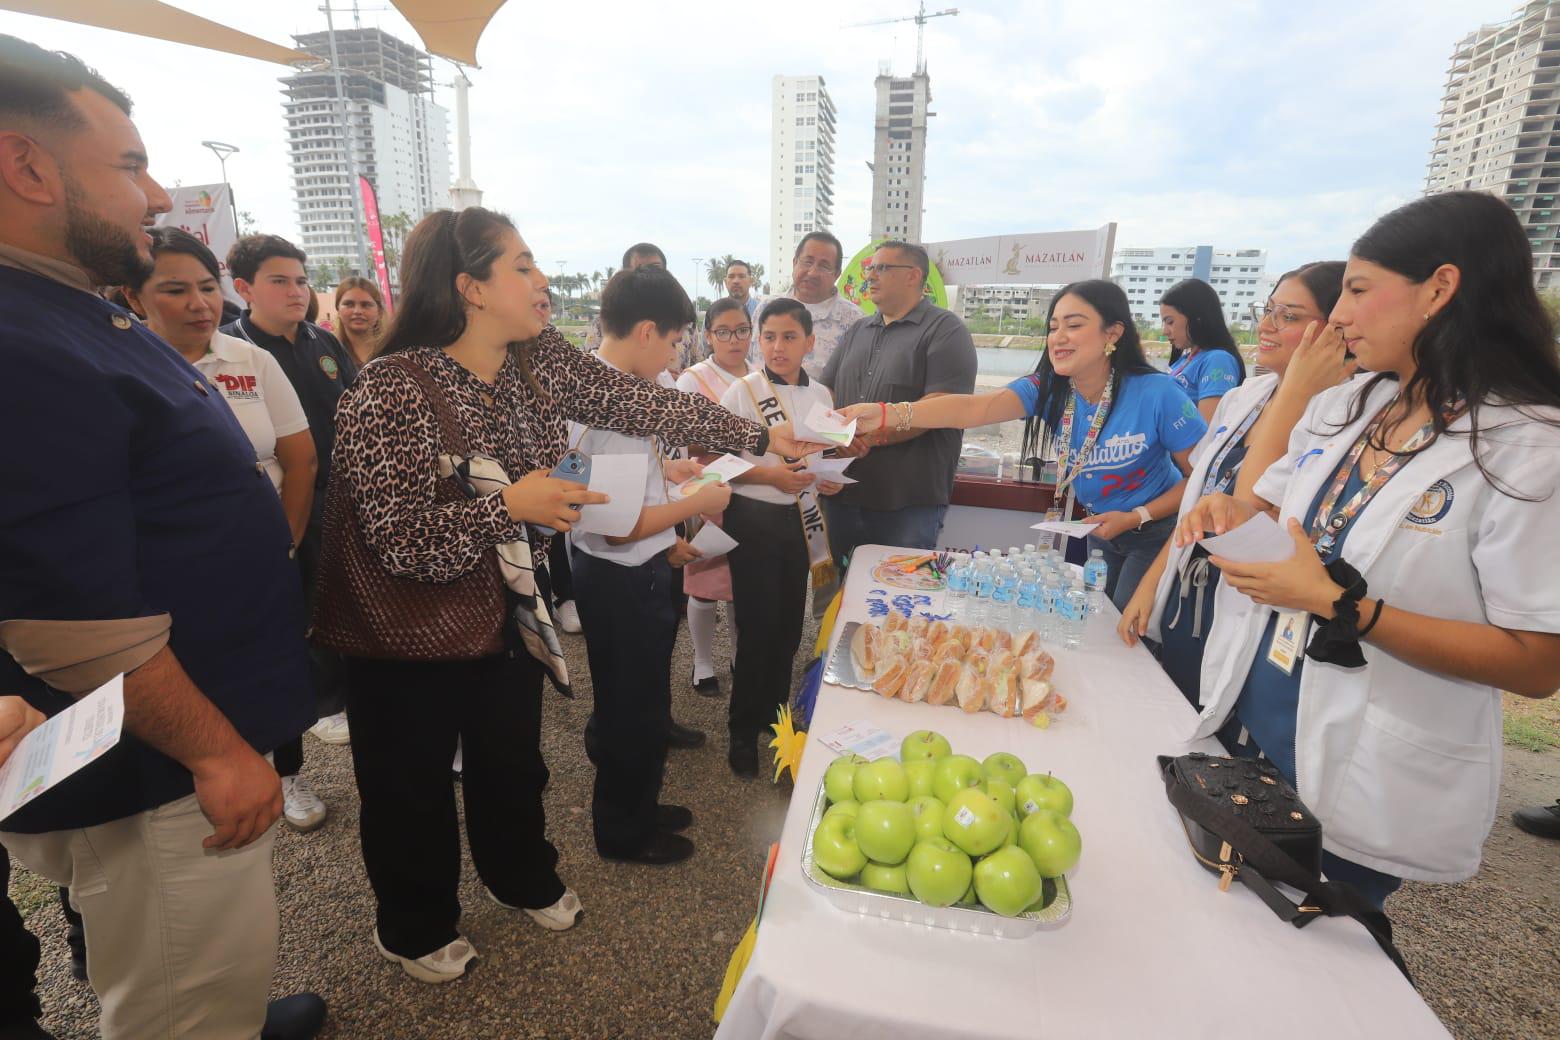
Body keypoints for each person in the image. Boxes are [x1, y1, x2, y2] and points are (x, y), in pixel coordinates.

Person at [313, 206, 815, 983]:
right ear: (471, 288)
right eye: (522, 266)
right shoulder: (390, 387)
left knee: (511, 761)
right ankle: (413, 925)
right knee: (409, 786)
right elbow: (398, 539)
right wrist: (511, 506)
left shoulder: (534, 359)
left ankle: (520, 875)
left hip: (508, 608)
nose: (542, 280)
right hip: (407, 632)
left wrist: (757, 435)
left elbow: (641, 402)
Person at [0, 35, 325, 1038]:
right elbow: (72, 615)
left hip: (176, 742)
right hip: (162, 764)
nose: (153, 196)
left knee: (203, 966)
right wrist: (217, 752)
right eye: (131, 165)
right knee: (180, 994)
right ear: (27, 166)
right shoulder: (19, 339)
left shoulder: (65, 311)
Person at [1176, 191, 1560, 912]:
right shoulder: (1347, 407)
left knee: (1321, 942)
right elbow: (1273, 509)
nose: (1339, 316)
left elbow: (1537, 662)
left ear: (1439, 289)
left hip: (1362, 767)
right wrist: (1232, 512)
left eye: (1357, 290)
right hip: (1251, 723)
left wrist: (1342, 605)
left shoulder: (1529, 450)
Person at [843, 279, 1206, 610]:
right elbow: (974, 408)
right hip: (1102, 534)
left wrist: (1138, 516)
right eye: (1053, 327)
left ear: (1112, 333)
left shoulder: (1158, 393)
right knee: (1100, 621)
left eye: (1074, 325)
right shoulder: (1049, 389)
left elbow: (1203, 478)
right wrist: (886, 413)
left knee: (1127, 631)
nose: (1058, 337)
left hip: (1157, 532)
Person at [1116, 263, 1346, 706]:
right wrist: (1151, 584)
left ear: (1337, 331)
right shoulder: (1244, 398)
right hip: (1190, 595)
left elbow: (1245, 509)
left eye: (1288, 316)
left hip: (1257, 612)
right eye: (1268, 310)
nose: (1267, 326)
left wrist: (1295, 391)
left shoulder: (1339, 417)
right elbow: (1198, 501)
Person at [570, 267, 734, 864]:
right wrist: (699, 501)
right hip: (620, 577)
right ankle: (624, 831)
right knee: (630, 710)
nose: (673, 358)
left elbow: (589, 477)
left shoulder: (602, 386)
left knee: (635, 702)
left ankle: (638, 805)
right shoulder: (614, 406)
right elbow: (620, 526)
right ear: (645, 331)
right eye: (673, 342)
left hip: (617, 571)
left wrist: (666, 472)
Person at [223, 233, 356, 824]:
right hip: (276, 512)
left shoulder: (324, 344)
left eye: (301, 280)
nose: (297, 291)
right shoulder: (233, 354)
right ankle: (290, 769)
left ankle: (339, 699)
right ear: (244, 288)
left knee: (343, 611)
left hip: (344, 503)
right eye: (280, 281)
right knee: (285, 629)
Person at [721, 298, 844, 777]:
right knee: (756, 627)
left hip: (799, 521)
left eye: (789, 337)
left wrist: (829, 480)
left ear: (809, 342)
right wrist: (769, 476)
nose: (778, 347)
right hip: (753, 518)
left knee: (789, 627)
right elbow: (718, 464)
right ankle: (741, 729)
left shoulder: (824, 395)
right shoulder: (743, 392)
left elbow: (823, 458)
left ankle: (775, 719)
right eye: (769, 337)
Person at [819, 241, 977, 567]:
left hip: (907, 504)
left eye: (881, 268)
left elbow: (942, 406)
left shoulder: (946, 331)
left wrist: (868, 437)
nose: (870, 276)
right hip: (842, 495)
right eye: (870, 269)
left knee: (899, 590)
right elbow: (826, 393)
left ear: (913, 275)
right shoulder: (857, 330)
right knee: (841, 589)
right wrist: (835, 440)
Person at [675, 298, 755, 696]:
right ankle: (703, 661)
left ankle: (740, 655)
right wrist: (724, 440)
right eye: (724, 332)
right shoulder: (693, 379)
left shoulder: (759, 378)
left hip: (753, 493)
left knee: (741, 584)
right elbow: (678, 441)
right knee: (704, 584)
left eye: (742, 330)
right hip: (707, 494)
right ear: (708, 336)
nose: (734, 339)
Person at [586, 242, 701, 370]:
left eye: (655, 270)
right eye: (641, 271)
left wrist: (680, 379)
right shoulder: (604, 321)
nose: (649, 277)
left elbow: (697, 364)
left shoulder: (686, 322)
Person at [771, 231, 862, 380]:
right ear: (794, 263)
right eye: (808, 262)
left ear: (836, 274)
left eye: (824, 266)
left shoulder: (856, 322)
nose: (812, 272)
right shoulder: (766, 309)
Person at [1161, 278, 1246, 421]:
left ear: (1197, 318)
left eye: (1170, 322)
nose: (1165, 331)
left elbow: (1207, 427)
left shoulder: (1218, 360)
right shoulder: (1186, 359)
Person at [334, 274, 385, 373]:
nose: (357, 311)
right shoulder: (329, 352)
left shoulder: (392, 351)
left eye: (366, 305)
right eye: (349, 304)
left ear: (379, 311)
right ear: (338, 310)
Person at [723, 258, 760, 324]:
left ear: (750, 281)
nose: (736, 281)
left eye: (741, 276)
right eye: (731, 276)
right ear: (725, 282)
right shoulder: (714, 312)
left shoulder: (762, 311)